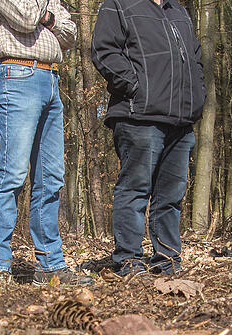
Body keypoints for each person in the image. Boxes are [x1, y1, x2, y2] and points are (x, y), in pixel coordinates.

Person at [0, 0, 92, 286]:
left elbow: (70, 34)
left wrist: (47, 16)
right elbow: (26, 16)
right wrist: (48, 15)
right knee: (12, 175)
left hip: (51, 79)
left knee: (51, 178)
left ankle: (50, 264)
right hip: (16, 75)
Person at [92, 0, 206, 275]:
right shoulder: (120, 4)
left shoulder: (177, 10)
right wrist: (136, 87)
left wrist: (197, 96)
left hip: (181, 120)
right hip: (138, 116)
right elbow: (104, 50)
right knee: (134, 190)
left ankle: (167, 260)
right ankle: (128, 260)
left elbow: (196, 58)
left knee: (171, 196)